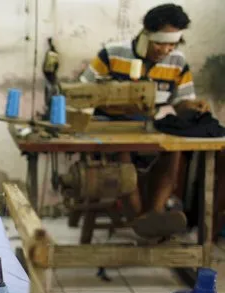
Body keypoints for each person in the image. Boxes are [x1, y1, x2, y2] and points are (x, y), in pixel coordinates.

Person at [80, 4, 210, 239]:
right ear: (146, 34)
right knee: (122, 152)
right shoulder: (113, 53)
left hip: (152, 128)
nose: (165, 49)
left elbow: (182, 101)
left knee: (174, 150)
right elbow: (82, 91)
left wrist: (192, 105)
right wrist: (113, 100)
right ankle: (140, 217)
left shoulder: (177, 61)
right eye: (160, 43)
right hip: (113, 127)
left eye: (172, 44)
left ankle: (154, 214)